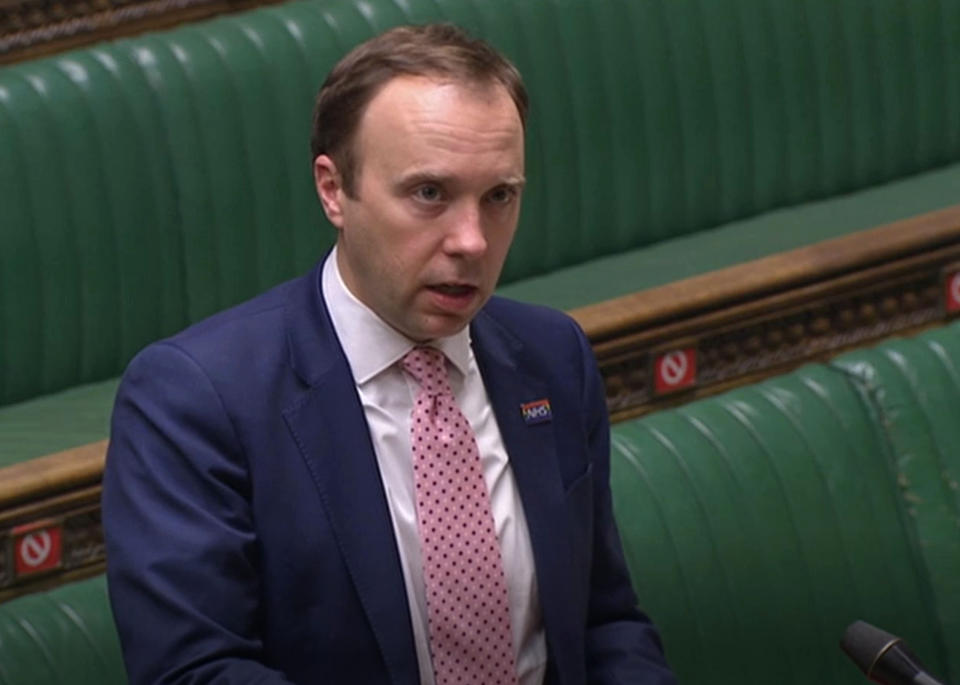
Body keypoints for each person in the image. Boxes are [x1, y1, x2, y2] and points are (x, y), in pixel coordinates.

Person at [103, 23, 676, 685]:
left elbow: (604, 621)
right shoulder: (196, 397)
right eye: (428, 193)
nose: (472, 242)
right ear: (332, 189)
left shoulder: (553, 356)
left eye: (499, 197)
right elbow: (196, 670)